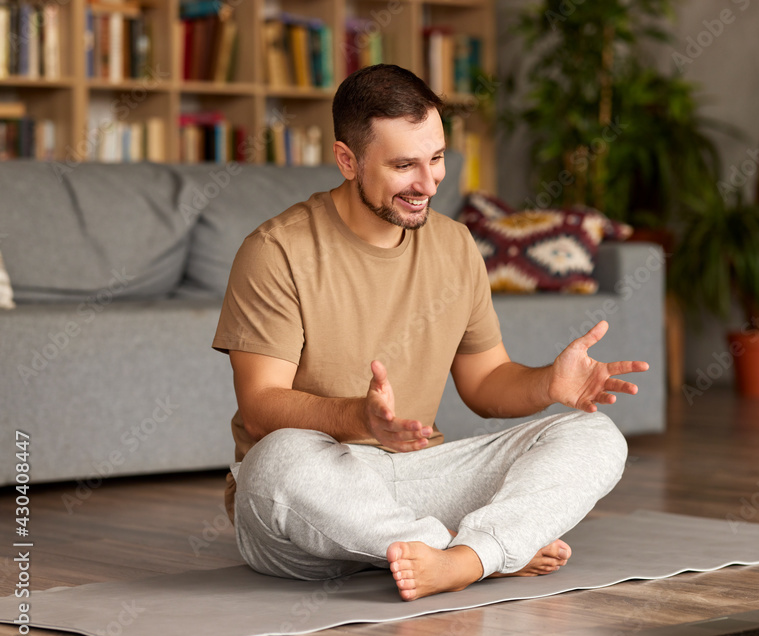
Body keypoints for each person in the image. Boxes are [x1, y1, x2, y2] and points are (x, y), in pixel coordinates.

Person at [212, 64, 649, 601]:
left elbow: (486, 382)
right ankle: (481, 551)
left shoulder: (455, 244)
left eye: (437, 158)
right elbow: (259, 405)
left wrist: (547, 386)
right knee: (276, 462)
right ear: (347, 160)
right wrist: (357, 416)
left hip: (419, 476)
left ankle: (462, 559)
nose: (428, 183)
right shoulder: (276, 250)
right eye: (404, 165)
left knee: (594, 436)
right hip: (315, 493)